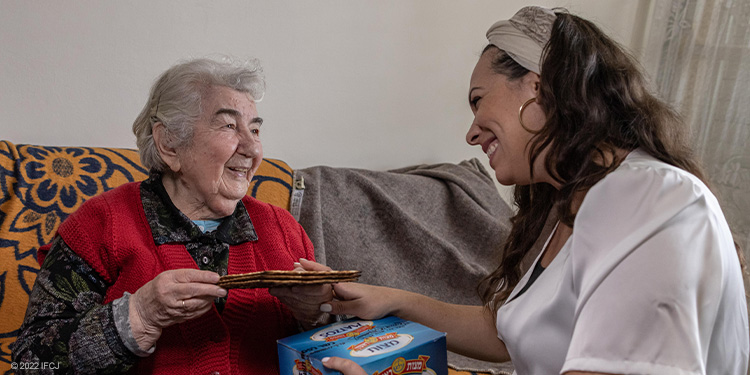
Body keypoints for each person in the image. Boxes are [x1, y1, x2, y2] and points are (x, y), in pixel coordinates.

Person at [314, 6, 750, 375]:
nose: (470, 133)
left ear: (538, 87)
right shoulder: (578, 205)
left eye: (478, 99)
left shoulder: (648, 195)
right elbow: (511, 332)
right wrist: (392, 300)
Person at [11, 57, 333, 374]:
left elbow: (336, 356)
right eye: (230, 126)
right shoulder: (99, 225)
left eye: (255, 130)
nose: (253, 149)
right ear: (169, 144)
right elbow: (32, 363)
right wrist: (138, 316)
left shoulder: (284, 231)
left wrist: (317, 317)